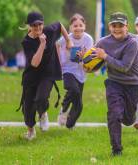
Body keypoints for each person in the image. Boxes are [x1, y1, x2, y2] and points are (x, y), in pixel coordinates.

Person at [19, 11, 72, 140]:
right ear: (29, 26)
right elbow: (35, 63)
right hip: (32, 76)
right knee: (28, 107)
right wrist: (42, 44)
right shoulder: (27, 42)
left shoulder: (49, 30)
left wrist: (68, 40)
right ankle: (31, 131)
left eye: (40, 24)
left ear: (43, 24)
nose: (38, 27)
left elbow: (59, 25)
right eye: (34, 25)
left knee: (41, 98)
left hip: (48, 73)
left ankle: (43, 113)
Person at [95, 12, 138, 156]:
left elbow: (124, 66)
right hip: (114, 83)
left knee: (128, 120)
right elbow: (95, 63)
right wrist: (84, 60)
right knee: (114, 114)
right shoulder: (102, 42)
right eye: (114, 25)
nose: (117, 29)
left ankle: (131, 117)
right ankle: (116, 150)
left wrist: (105, 56)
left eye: (121, 25)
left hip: (133, 85)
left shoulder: (132, 43)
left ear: (127, 27)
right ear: (110, 27)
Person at [56, 13, 93, 129]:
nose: (78, 28)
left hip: (81, 73)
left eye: (80, 25)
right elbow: (56, 45)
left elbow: (90, 58)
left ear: (84, 26)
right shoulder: (66, 38)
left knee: (79, 104)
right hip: (67, 70)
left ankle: (70, 124)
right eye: (75, 26)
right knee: (73, 89)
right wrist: (58, 63)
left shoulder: (88, 39)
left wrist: (83, 57)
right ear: (70, 28)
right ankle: (63, 110)